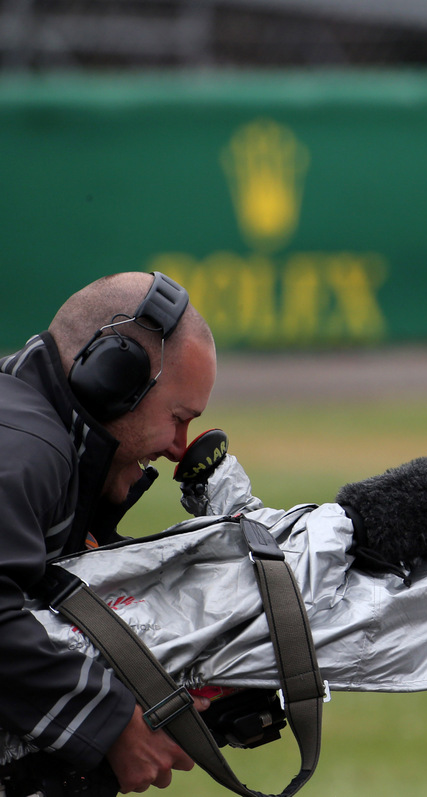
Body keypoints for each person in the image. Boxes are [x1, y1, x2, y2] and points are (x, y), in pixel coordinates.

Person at [0, 272, 216, 793]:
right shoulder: (28, 451)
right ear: (113, 378)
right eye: (178, 418)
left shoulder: (28, 432)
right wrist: (113, 724)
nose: (179, 447)